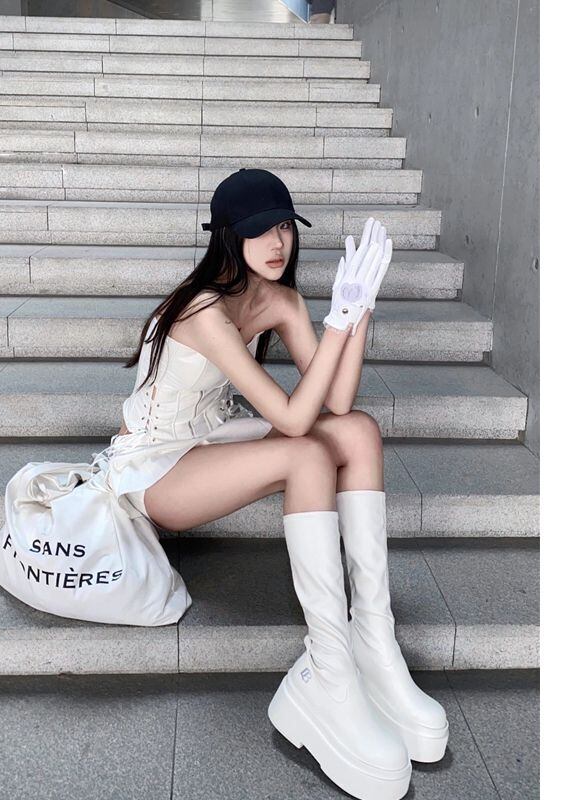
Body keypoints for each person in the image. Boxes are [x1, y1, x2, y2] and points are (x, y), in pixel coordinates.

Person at [99, 169, 448, 799]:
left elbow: (337, 402)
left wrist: (360, 312)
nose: (277, 241)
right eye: (260, 229)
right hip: (155, 467)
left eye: (285, 226)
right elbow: (293, 419)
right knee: (307, 454)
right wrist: (338, 322)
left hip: (212, 439)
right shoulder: (202, 310)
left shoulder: (281, 301)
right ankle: (328, 670)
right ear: (228, 237)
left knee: (359, 432)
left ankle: (374, 641)